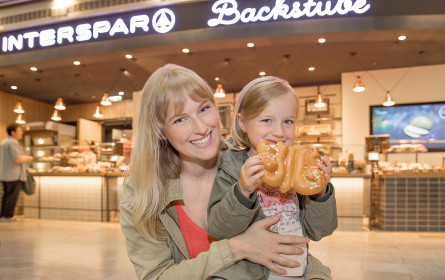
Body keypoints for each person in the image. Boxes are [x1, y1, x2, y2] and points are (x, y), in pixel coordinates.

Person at [120, 64, 312, 280]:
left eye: (203, 109)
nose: (201, 128)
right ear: (161, 131)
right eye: (180, 119)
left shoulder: (250, 163)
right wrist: (237, 248)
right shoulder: (140, 191)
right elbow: (156, 276)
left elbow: (292, 243)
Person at [208, 76, 338, 280]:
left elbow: (320, 231)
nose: (278, 132)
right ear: (243, 122)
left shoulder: (298, 166)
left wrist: (320, 193)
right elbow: (219, 229)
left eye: (288, 121)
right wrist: (241, 191)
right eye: (267, 120)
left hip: (298, 270)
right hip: (249, 272)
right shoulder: (232, 167)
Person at [0, 124, 33, 222]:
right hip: (13, 174)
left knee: (7, 195)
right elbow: (17, 160)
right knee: (12, 196)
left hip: (4, 173)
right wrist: (28, 158)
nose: (21, 133)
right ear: (13, 132)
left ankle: (4, 215)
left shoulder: (4, 142)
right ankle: (8, 216)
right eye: (19, 131)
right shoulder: (13, 143)